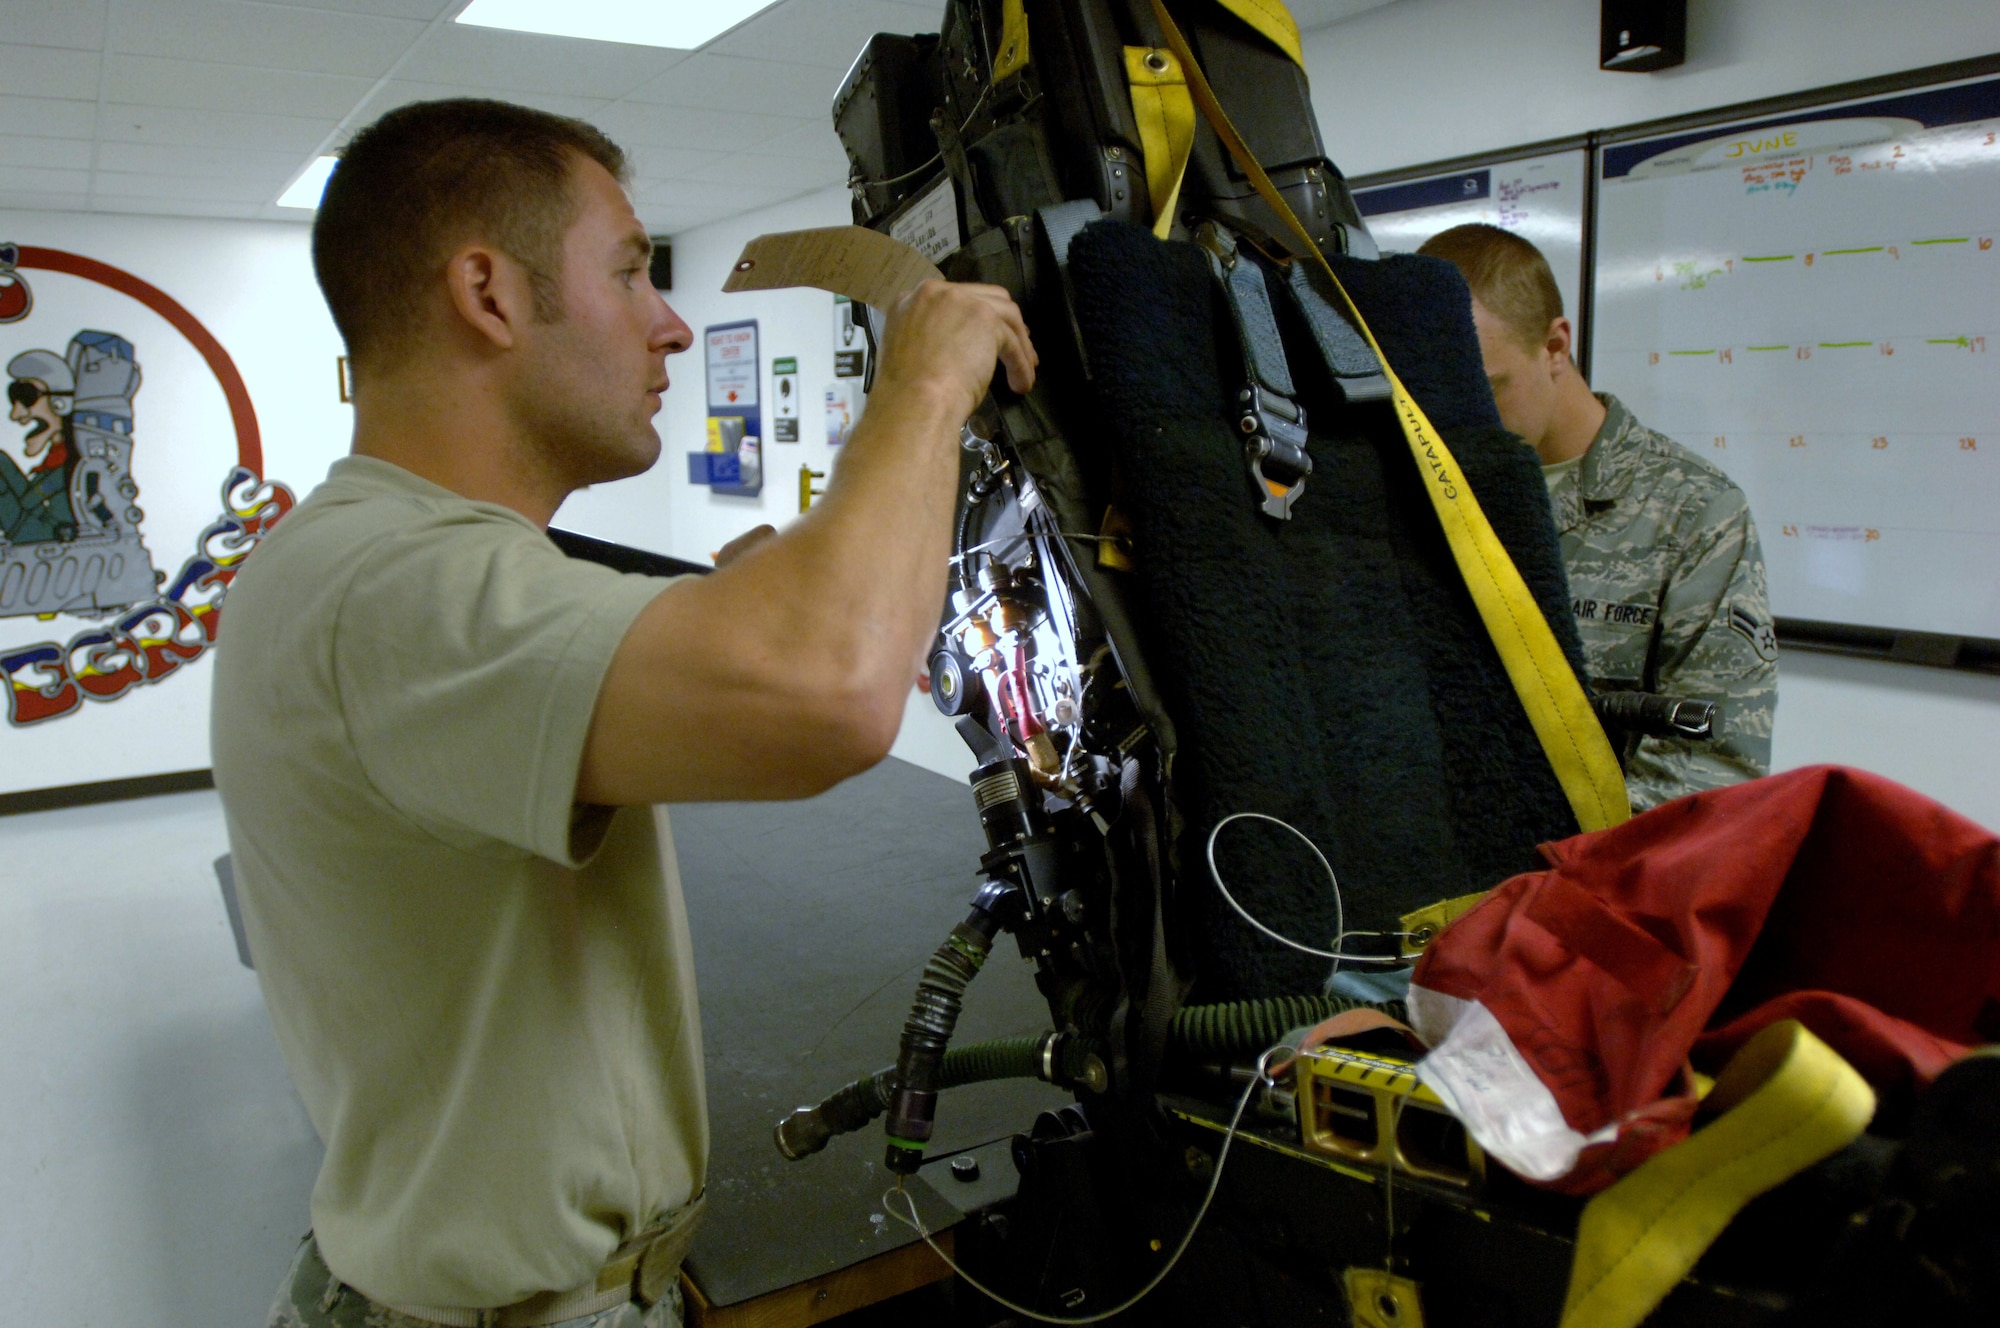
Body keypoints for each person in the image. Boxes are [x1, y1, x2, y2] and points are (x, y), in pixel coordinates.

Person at [211, 99, 1035, 1328]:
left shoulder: (390, 560)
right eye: (632, 269)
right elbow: (829, 692)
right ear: (488, 295)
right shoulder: (392, 586)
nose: (671, 323)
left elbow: (731, 637)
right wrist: (918, 386)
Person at [1418, 223, 1775, 811]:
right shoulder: (1430, 487)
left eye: (1487, 390)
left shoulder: (1691, 510)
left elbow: (1712, 768)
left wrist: (1556, 880)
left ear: (1555, 347)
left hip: (1585, 878)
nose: (1458, 421)